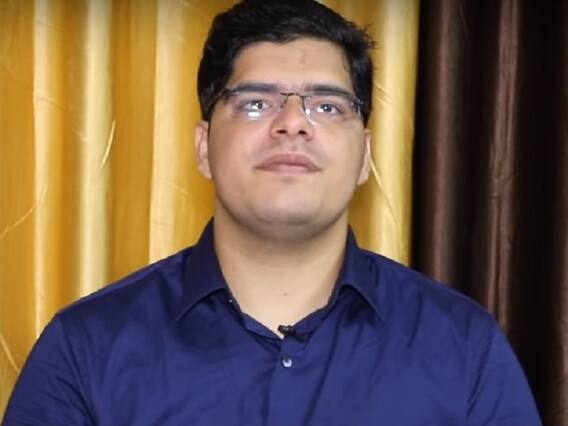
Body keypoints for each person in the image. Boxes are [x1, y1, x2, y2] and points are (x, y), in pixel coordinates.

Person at [3, 0, 541, 425]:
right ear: (203, 148)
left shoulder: (464, 349)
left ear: (365, 158)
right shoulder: (85, 350)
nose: (293, 123)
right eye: (255, 103)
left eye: (327, 105)